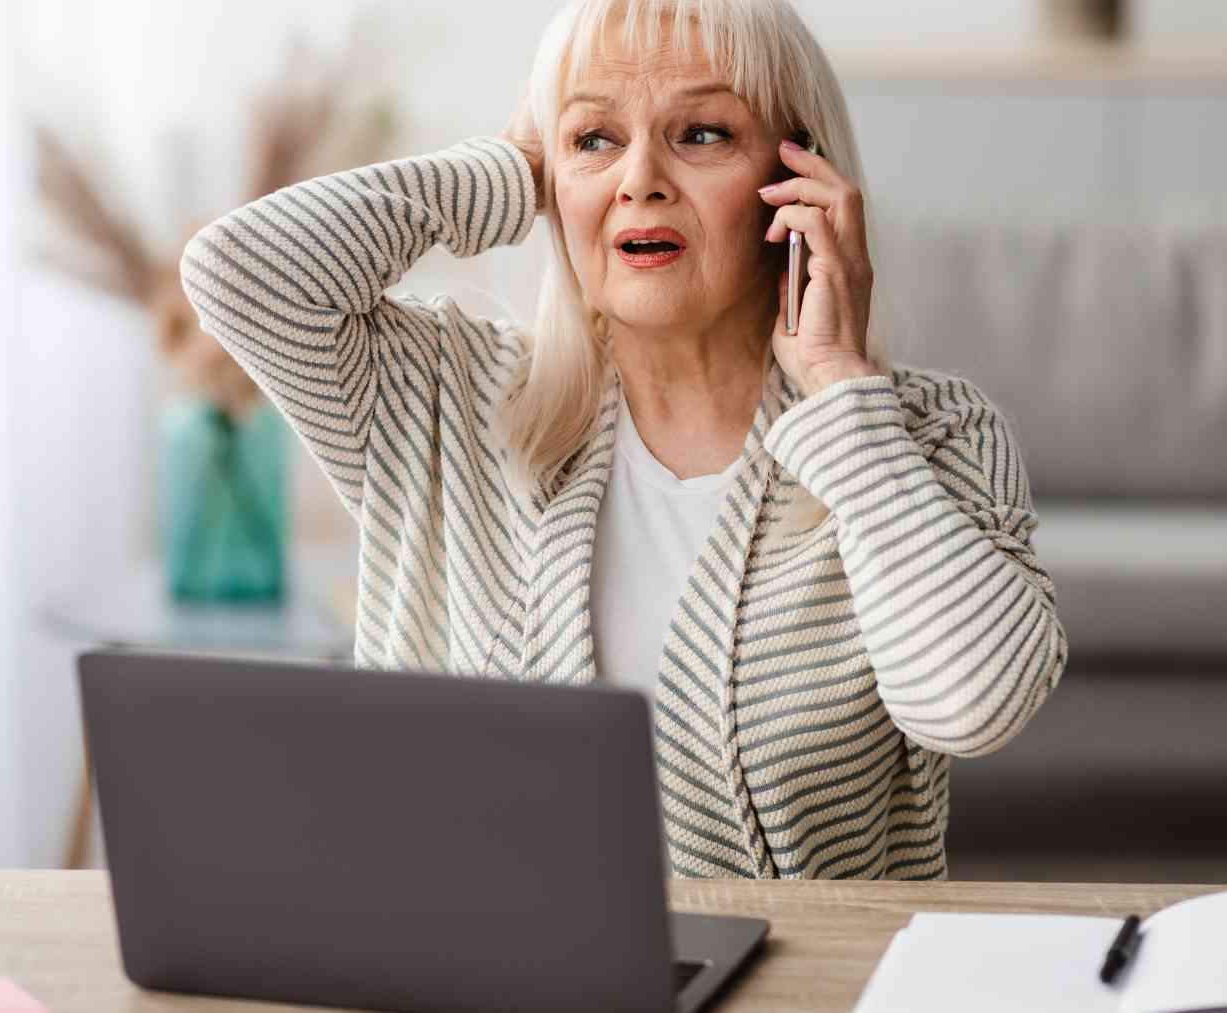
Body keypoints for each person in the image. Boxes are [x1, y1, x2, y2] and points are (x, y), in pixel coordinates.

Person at [178, 0, 1068, 880]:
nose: (639, 179)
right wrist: (516, 166)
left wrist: (836, 381)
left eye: (703, 134)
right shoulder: (444, 395)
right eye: (597, 142)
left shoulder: (921, 432)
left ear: (801, 182)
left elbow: (974, 703)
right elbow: (236, 273)